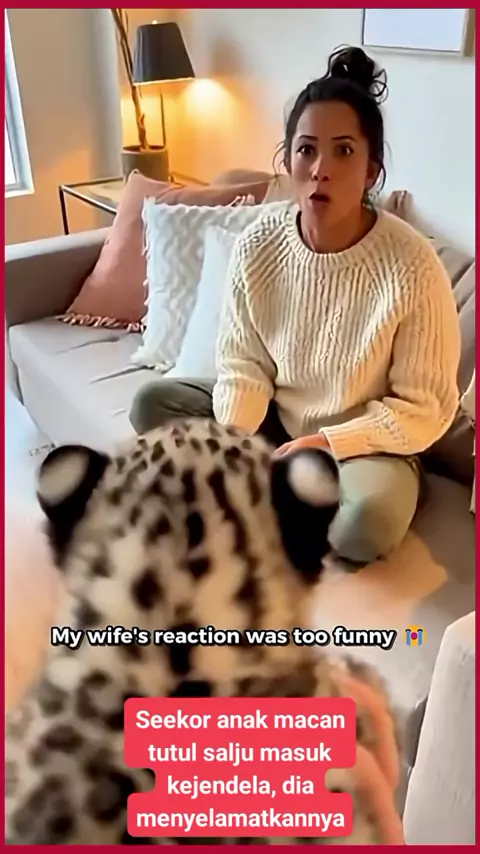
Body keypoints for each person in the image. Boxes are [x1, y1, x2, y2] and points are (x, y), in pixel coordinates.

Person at [130, 46, 461, 567]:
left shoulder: (413, 266)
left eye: (344, 151)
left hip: (363, 441)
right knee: (153, 404)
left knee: (364, 527)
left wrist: (328, 442)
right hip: (275, 417)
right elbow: (243, 365)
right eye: (306, 150)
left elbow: (425, 408)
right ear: (287, 161)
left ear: (371, 171)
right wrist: (235, 444)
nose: (321, 169)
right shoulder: (258, 244)